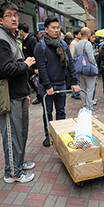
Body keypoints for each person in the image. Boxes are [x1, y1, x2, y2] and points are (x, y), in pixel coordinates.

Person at [0, 2, 36, 183]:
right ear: (0, 19)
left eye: (16, 14)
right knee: (11, 135)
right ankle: (12, 172)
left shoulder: (11, 36)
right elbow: (5, 69)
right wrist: (26, 65)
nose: (14, 18)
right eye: (9, 15)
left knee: (21, 132)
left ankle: (19, 163)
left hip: (19, 92)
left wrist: (27, 91)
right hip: (8, 95)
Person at [34, 17, 80, 147]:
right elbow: (42, 68)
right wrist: (48, 86)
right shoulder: (40, 46)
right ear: (46, 29)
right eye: (53, 28)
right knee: (47, 112)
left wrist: (75, 82)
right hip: (46, 86)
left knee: (61, 110)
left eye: (57, 27)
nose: (56, 30)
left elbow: (70, 64)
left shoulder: (63, 45)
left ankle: (60, 134)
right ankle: (48, 135)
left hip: (61, 84)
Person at [74, 27, 98, 111]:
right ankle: (89, 106)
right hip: (88, 69)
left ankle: (84, 105)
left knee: (83, 88)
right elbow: (91, 58)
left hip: (80, 69)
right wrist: (95, 66)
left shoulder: (77, 44)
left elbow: (75, 56)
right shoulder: (87, 44)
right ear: (88, 34)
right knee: (90, 88)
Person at [18, 22, 40, 105]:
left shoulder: (32, 39)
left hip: (33, 65)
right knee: (30, 82)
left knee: (35, 82)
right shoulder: (24, 39)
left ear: (22, 31)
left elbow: (36, 54)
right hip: (27, 64)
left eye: (19, 30)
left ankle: (39, 97)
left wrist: (36, 67)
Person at [69, 29, 82, 100]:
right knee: (77, 78)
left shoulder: (78, 42)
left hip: (77, 62)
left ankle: (74, 93)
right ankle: (76, 94)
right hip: (75, 63)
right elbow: (73, 55)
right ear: (76, 35)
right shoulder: (74, 43)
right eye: (79, 34)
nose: (81, 35)